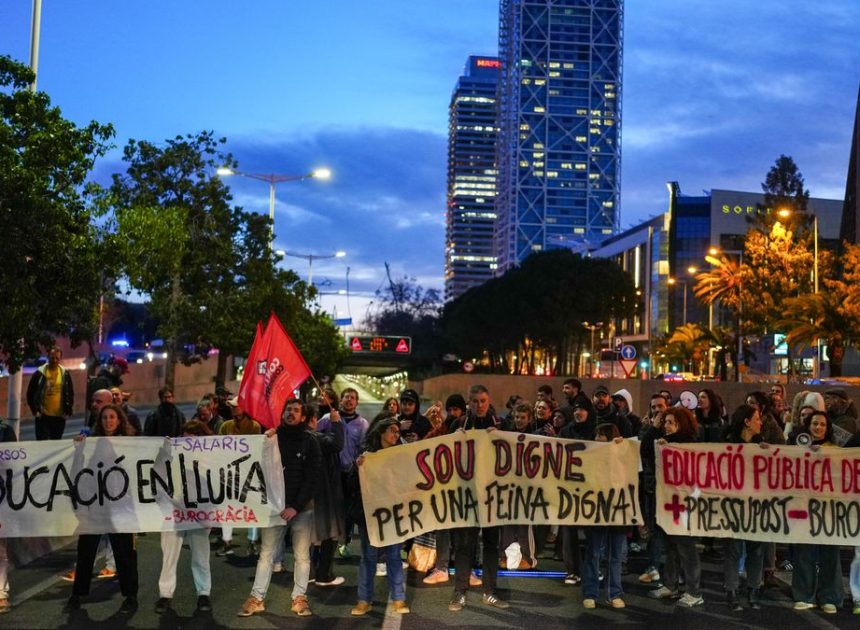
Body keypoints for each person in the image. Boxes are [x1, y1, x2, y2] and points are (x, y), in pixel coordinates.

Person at [238, 398, 321, 618]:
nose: (291, 413)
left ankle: (299, 598)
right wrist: (264, 441)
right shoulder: (271, 438)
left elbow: (312, 477)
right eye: (288, 409)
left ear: (303, 417)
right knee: (266, 554)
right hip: (274, 508)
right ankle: (256, 598)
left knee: (301, 556)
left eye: (296, 410)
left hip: (301, 510)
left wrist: (296, 506)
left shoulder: (310, 442)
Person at [65, 404, 138, 614]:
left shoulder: (130, 444)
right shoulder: (92, 444)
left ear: (119, 420)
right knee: (85, 551)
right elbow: (79, 470)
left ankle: (130, 595)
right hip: (96, 506)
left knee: (125, 553)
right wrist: (79, 449)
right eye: (105, 418)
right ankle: (77, 594)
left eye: (112, 417)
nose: (108, 421)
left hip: (120, 507)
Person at [448, 385, 510, 612]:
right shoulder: (459, 424)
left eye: (483, 400)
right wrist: (453, 439)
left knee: (492, 545)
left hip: (493, 496)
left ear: (489, 400)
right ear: (469, 402)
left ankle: (489, 591)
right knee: (464, 545)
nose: (479, 405)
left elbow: (514, 453)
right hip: (468, 495)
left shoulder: (501, 424)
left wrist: (502, 438)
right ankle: (459, 592)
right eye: (475, 401)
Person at [350, 413, 410, 616]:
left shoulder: (400, 455)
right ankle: (364, 600)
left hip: (393, 514)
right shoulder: (366, 455)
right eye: (392, 431)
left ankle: (399, 598)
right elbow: (352, 485)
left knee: (394, 556)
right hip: (370, 515)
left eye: (398, 432)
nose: (396, 435)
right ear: (381, 432)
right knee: (369, 556)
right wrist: (357, 468)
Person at [155, 421, 214, 614]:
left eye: (193, 439)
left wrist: (211, 513)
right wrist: (164, 450)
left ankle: (203, 593)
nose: (188, 443)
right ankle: (165, 594)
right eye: (185, 438)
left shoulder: (210, 458)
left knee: (201, 556)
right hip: (174, 512)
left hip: (199, 513)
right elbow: (157, 474)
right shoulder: (170, 453)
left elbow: (216, 485)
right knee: (169, 556)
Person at [789, 410, 844, 614]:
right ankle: (804, 595)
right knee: (804, 551)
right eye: (814, 424)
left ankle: (829, 597)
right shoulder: (797, 448)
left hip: (829, 509)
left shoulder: (837, 451)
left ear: (827, 428)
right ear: (808, 426)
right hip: (803, 508)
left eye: (822, 424)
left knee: (830, 552)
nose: (818, 427)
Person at [648, 407, 704, 608]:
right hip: (670, 504)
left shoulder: (691, 446)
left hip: (687, 506)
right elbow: (645, 451)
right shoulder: (666, 444)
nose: (666, 426)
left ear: (682, 424)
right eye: (665, 422)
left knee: (686, 548)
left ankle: (694, 592)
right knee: (671, 546)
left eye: (671, 422)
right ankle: (670, 585)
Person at [721, 404, 771, 611]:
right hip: (733, 505)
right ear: (747, 422)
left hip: (757, 506)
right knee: (733, 549)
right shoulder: (726, 444)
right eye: (757, 419)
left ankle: (753, 589)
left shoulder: (762, 445)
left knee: (756, 550)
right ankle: (732, 590)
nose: (760, 423)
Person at [317, 388, 369, 558]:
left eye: (352, 398)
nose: (349, 400)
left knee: (348, 509)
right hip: (331, 473)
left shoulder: (362, 424)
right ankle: (327, 541)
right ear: (340, 400)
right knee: (332, 508)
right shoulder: (328, 418)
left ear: (357, 402)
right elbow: (313, 435)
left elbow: (364, 447)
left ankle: (344, 541)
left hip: (350, 473)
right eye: (346, 397)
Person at [581, 423, 627, 610]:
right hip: (596, 511)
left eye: (601, 436)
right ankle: (590, 593)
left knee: (615, 556)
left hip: (619, 511)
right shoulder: (590, 456)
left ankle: (613, 593)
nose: (597, 439)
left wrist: (622, 450)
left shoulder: (624, 455)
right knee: (593, 553)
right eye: (596, 436)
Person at [216, 397, 262, 557]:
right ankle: (227, 541)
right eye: (232, 407)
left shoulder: (254, 426)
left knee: (252, 508)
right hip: (229, 472)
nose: (234, 409)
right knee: (227, 507)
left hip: (248, 472)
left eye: (237, 406)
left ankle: (252, 542)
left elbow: (255, 448)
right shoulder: (226, 426)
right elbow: (217, 447)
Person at [306, 402, 346, 587]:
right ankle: (324, 575)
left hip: (304, 494)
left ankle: (308, 573)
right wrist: (336, 422)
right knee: (329, 532)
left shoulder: (295, 437)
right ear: (313, 420)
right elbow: (337, 444)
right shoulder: (316, 438)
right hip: (323, 492)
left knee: (307, 535)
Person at [638, 393, 669, 585]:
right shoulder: (647, 429)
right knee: (655, 529)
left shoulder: (674, 425)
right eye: (654, 407)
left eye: (660, 406)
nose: (657, 410)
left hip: (673, 488)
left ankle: (673, 571)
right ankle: (654, 566)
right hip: (652, 486)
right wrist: (653, 429)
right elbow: (642, 450)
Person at [26, 346, 74, 440]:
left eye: (57, 358)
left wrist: (68, 411)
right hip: (43, 416)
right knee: (42, 443)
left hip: (59, 417)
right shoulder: (39, 373)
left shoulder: (65, 374)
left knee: (55, 444)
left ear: (60, 358)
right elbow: (30, 393)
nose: (54, 360)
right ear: (48, 357)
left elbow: (70, 393)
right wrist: (35, 411)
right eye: (52, 358)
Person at [0, 419, 17, 613]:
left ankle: (1, 594)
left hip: (1, 498)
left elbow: (15, 464)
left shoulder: (5, 431)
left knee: (1, 549)